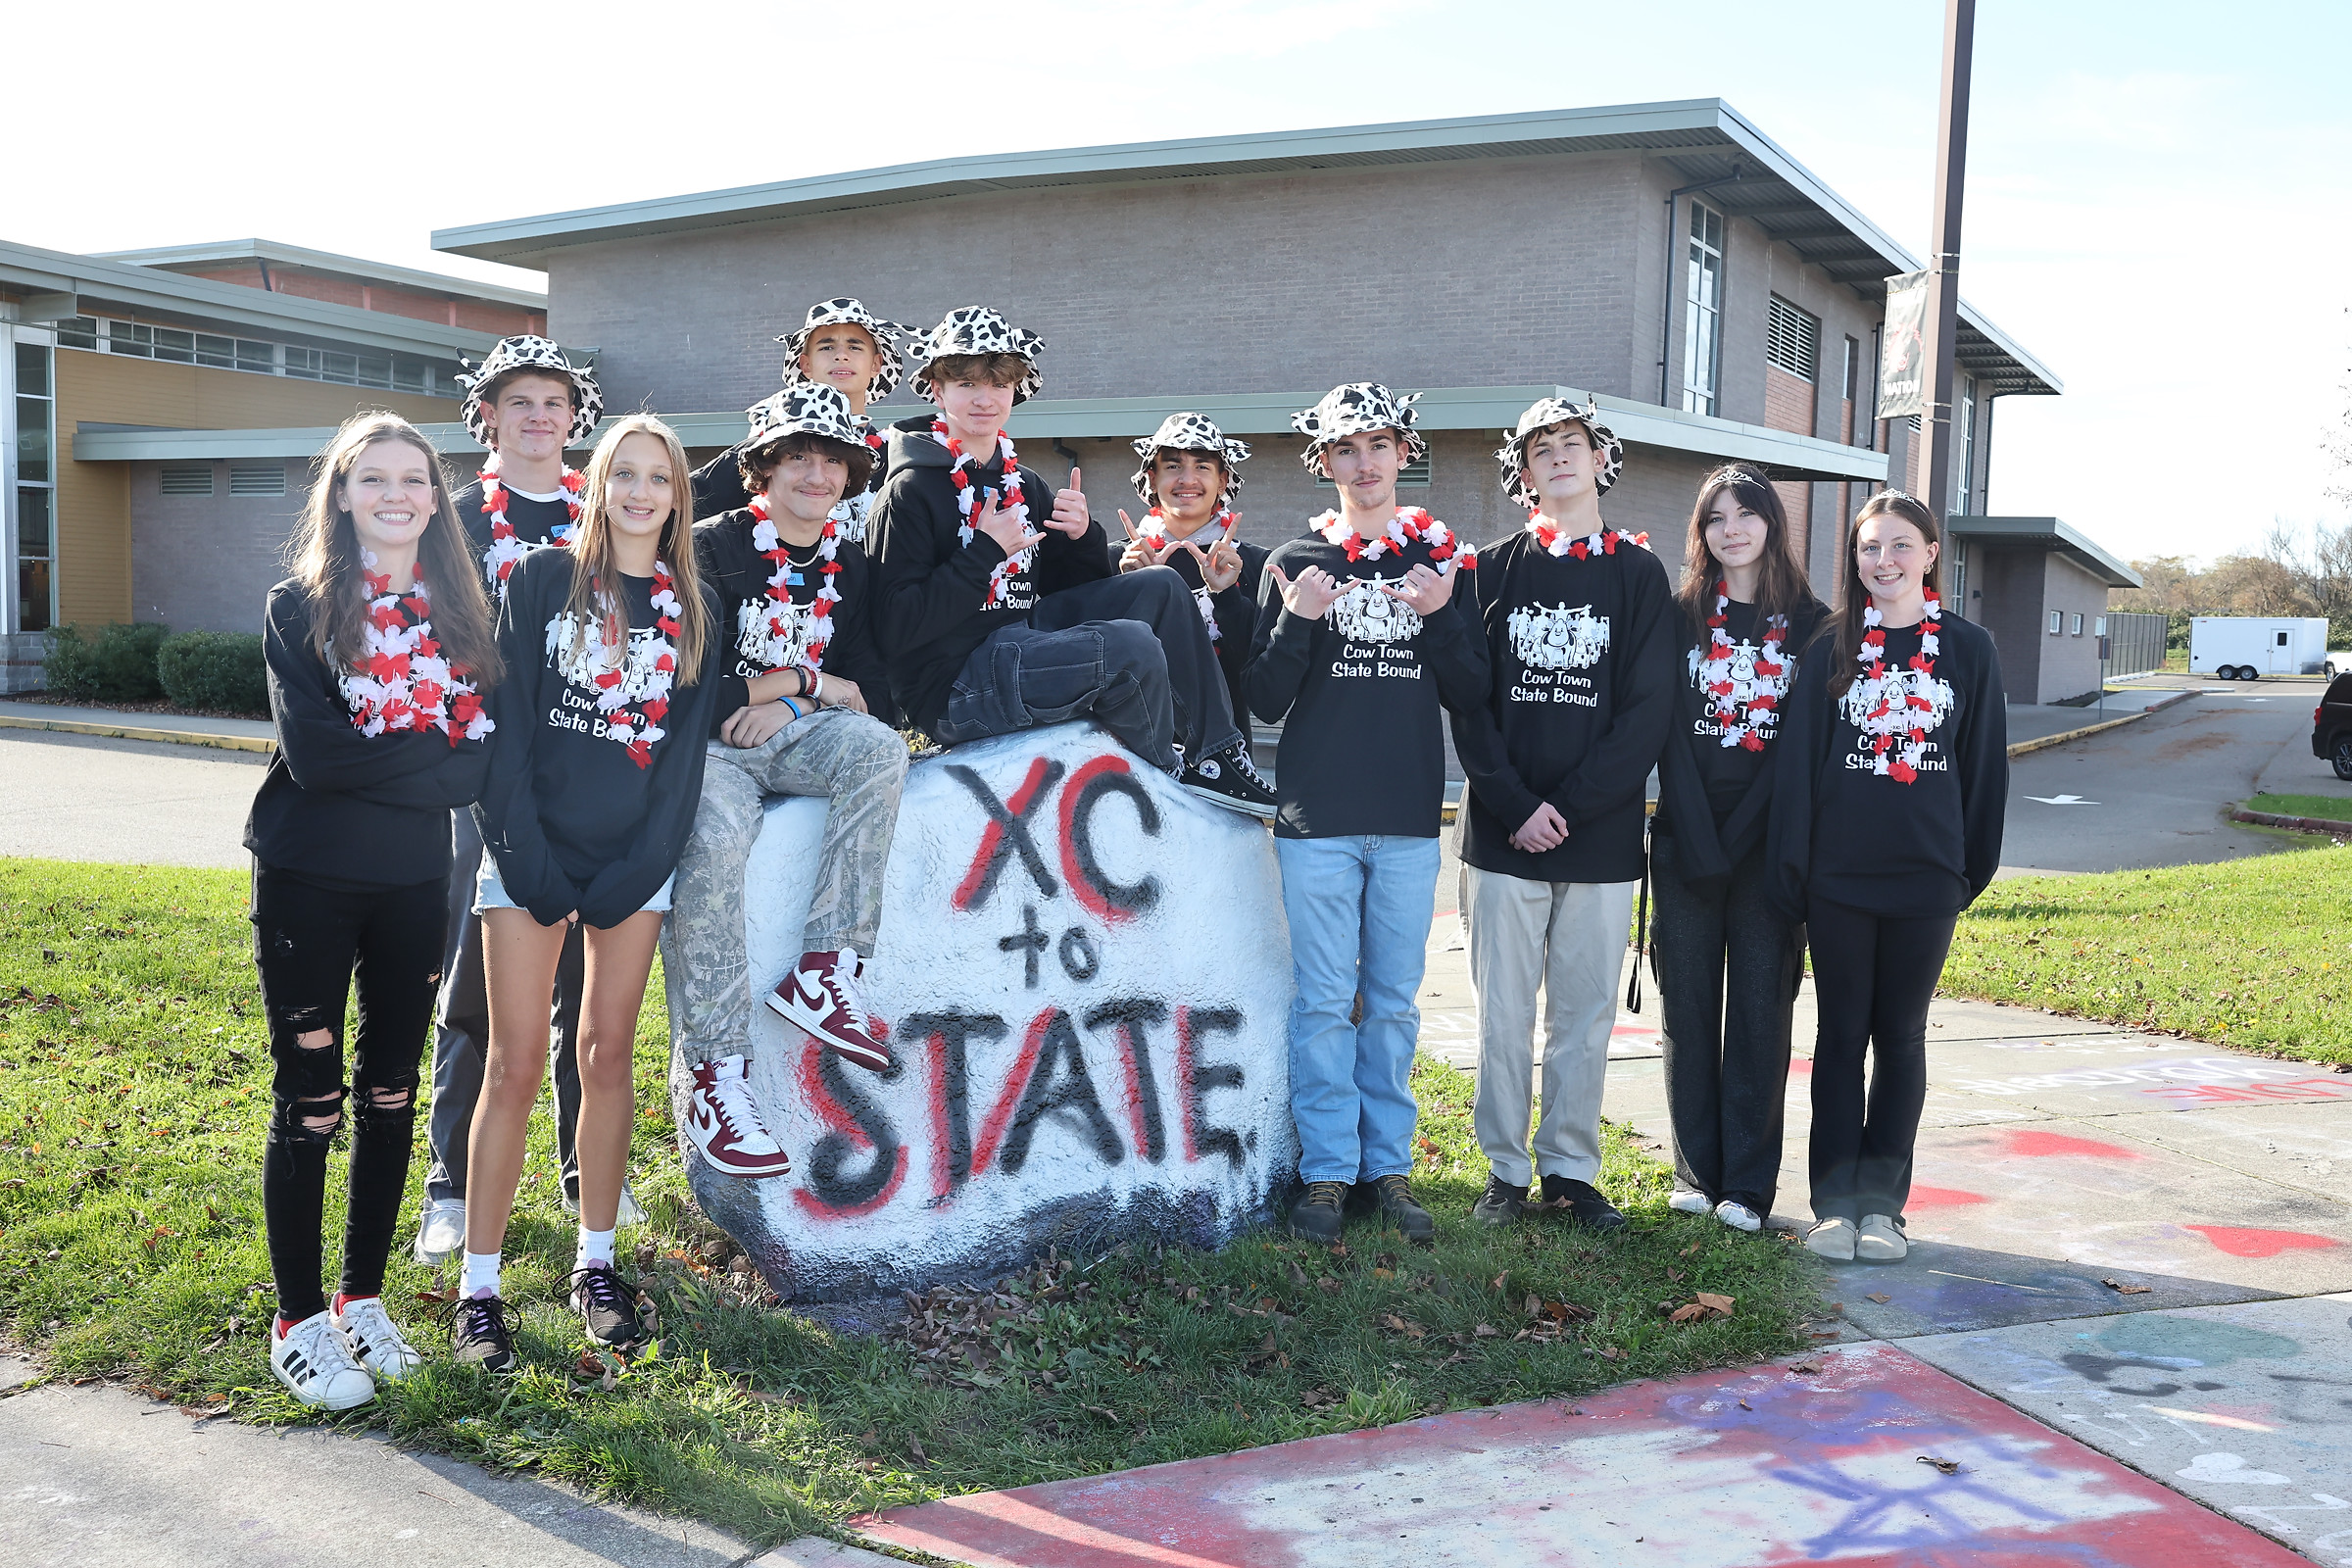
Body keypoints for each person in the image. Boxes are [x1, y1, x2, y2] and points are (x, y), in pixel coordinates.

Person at [455, 415, 726, 1371]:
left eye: (660, 478)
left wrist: (630, 875)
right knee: (515, 1062)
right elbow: (505, 728)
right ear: (599, 486)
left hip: (630, 870)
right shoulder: (540, 581)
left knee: (607, 1055)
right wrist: (529, 861)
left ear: (678, 497)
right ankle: (478, 1290)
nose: (641, 493)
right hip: (526, 854)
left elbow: (682, 767)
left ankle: (596, 1265)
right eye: (626, 475)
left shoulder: (697, 609)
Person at [247, 411, 502, 1407]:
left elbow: (478, 765)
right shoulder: (300, 607)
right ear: (343, 495)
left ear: (435, 499)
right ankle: (297, 1320)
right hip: (307, 876)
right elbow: (317, 757)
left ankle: (361, 1298)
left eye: (413, 479)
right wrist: (432, 751)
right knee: (312, 1098)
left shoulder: (463, 615)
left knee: (391, 1091)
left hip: (412, 881)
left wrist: (411, 756)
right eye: (374, 478)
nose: (396, 494)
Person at [1245, 382, 1491, 1247]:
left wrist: (1440, 616)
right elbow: (1264, 699)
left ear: (1403, 453)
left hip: (1409, 817)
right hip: (1317, 818)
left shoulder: (1439, 561)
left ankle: (1387, 1169)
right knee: (1322, 1002)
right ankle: (1325, 1171)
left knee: (1389, 1004)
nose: (1364, 463)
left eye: (1378, 445)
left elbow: (1472, 691)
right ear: (1325, 462)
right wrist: (1299, 620)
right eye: (1345, 449)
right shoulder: (1294, 560)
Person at [869, 307, 1274, 816]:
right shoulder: (909, 490)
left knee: (1160, 585)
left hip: (1021, 643)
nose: (984, 398)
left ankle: (1217, 755)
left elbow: (1074, 591)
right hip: (954, 684)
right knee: (1128, 646)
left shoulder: (1024, 483)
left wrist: (1083, 537)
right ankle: (1164, 774)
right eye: (966, 382)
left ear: (1016, 389)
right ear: (936, 389)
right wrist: (984, 554)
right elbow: (896, 627)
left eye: (998, 383)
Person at [665, 383, 910, 1178]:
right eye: (798, 457)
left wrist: (796, 700)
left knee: (878, 750)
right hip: (708, 749)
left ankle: (826, 968)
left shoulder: (851, 562)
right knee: (712, 837)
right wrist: (802, 679)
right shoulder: (708, 547)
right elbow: (685, 691)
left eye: (832, 461)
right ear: (763, 469)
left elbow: (875, 694)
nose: (817, 475)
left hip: (794, 733)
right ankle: (716, 1075)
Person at [415, 336, 620, 1267]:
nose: (539, 416)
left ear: (575, 417)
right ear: (487, 415)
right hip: (485, 771)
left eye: (554, 401)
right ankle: (450, 1187)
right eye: (520, 401)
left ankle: (584, 1175)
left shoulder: (605, 512)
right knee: (476, 979)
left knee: (584, 982)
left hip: (586, 771)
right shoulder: (455, 518)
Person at [1449, 398, 1673, 1233]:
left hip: (1599, 838)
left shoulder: (1638, 575)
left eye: (1571, 443)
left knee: (1583, 1018)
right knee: (1502, 1018)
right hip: (1502, 836)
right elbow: (1467, 702)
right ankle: (1505, 1171)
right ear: (1524, 473)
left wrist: (1568, 809)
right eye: (1540, 449)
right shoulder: (1488, 569)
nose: (1558, 458)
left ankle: (1571, 1172)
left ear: (1600, 458)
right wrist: (1516, 804)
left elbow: (1647, 711)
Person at [1769, 490, 2006, 1264]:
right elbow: (1799, 770)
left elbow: (1984, 774)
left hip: (1927, 880)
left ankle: (1883, 1210)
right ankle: (1834, 1207)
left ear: (1931, 553)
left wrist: (1964, 873)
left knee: (1901, 1039)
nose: (1885, 560)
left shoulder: (1969, 650)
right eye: (1871, 547)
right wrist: (1798, 871)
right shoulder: (1830, 648)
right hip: (1839, 879)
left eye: (1901, 545)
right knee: (1840, 1037)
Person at [1650, 466, 1827, 1234]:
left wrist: (1745, 832)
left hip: (1770, 849)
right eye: (1716, 517)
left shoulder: (1815, 624)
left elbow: (1800, 748)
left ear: (1771, 524)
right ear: (1702, 531)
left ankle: (1748, 1187)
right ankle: (1695, 1171)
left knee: (1760, 1012)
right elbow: (1664, 730)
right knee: (1687, 1007)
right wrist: (1696, 830)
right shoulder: (1678, 615)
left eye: (1745, 514)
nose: (1732, 529)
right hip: (1686, 838)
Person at [690, 296, 912, 538]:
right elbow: (679, 505)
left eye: (855, 347)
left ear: (876, 365)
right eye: (827, 347)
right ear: (805, 364)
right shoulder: (765, 450)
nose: (841, 356)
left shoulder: (897, 458)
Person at [1112, 413, 1262, 721]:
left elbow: (1258, 674)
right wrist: (1131, 589)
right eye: (1173, 466)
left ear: (1222, 481)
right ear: (1152, 478)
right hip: (1131, 737)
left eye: (1202, 467)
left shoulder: (1252, 564)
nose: (1187, 480)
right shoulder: (1117, 560)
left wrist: (1227, 596)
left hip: (1224, 739)